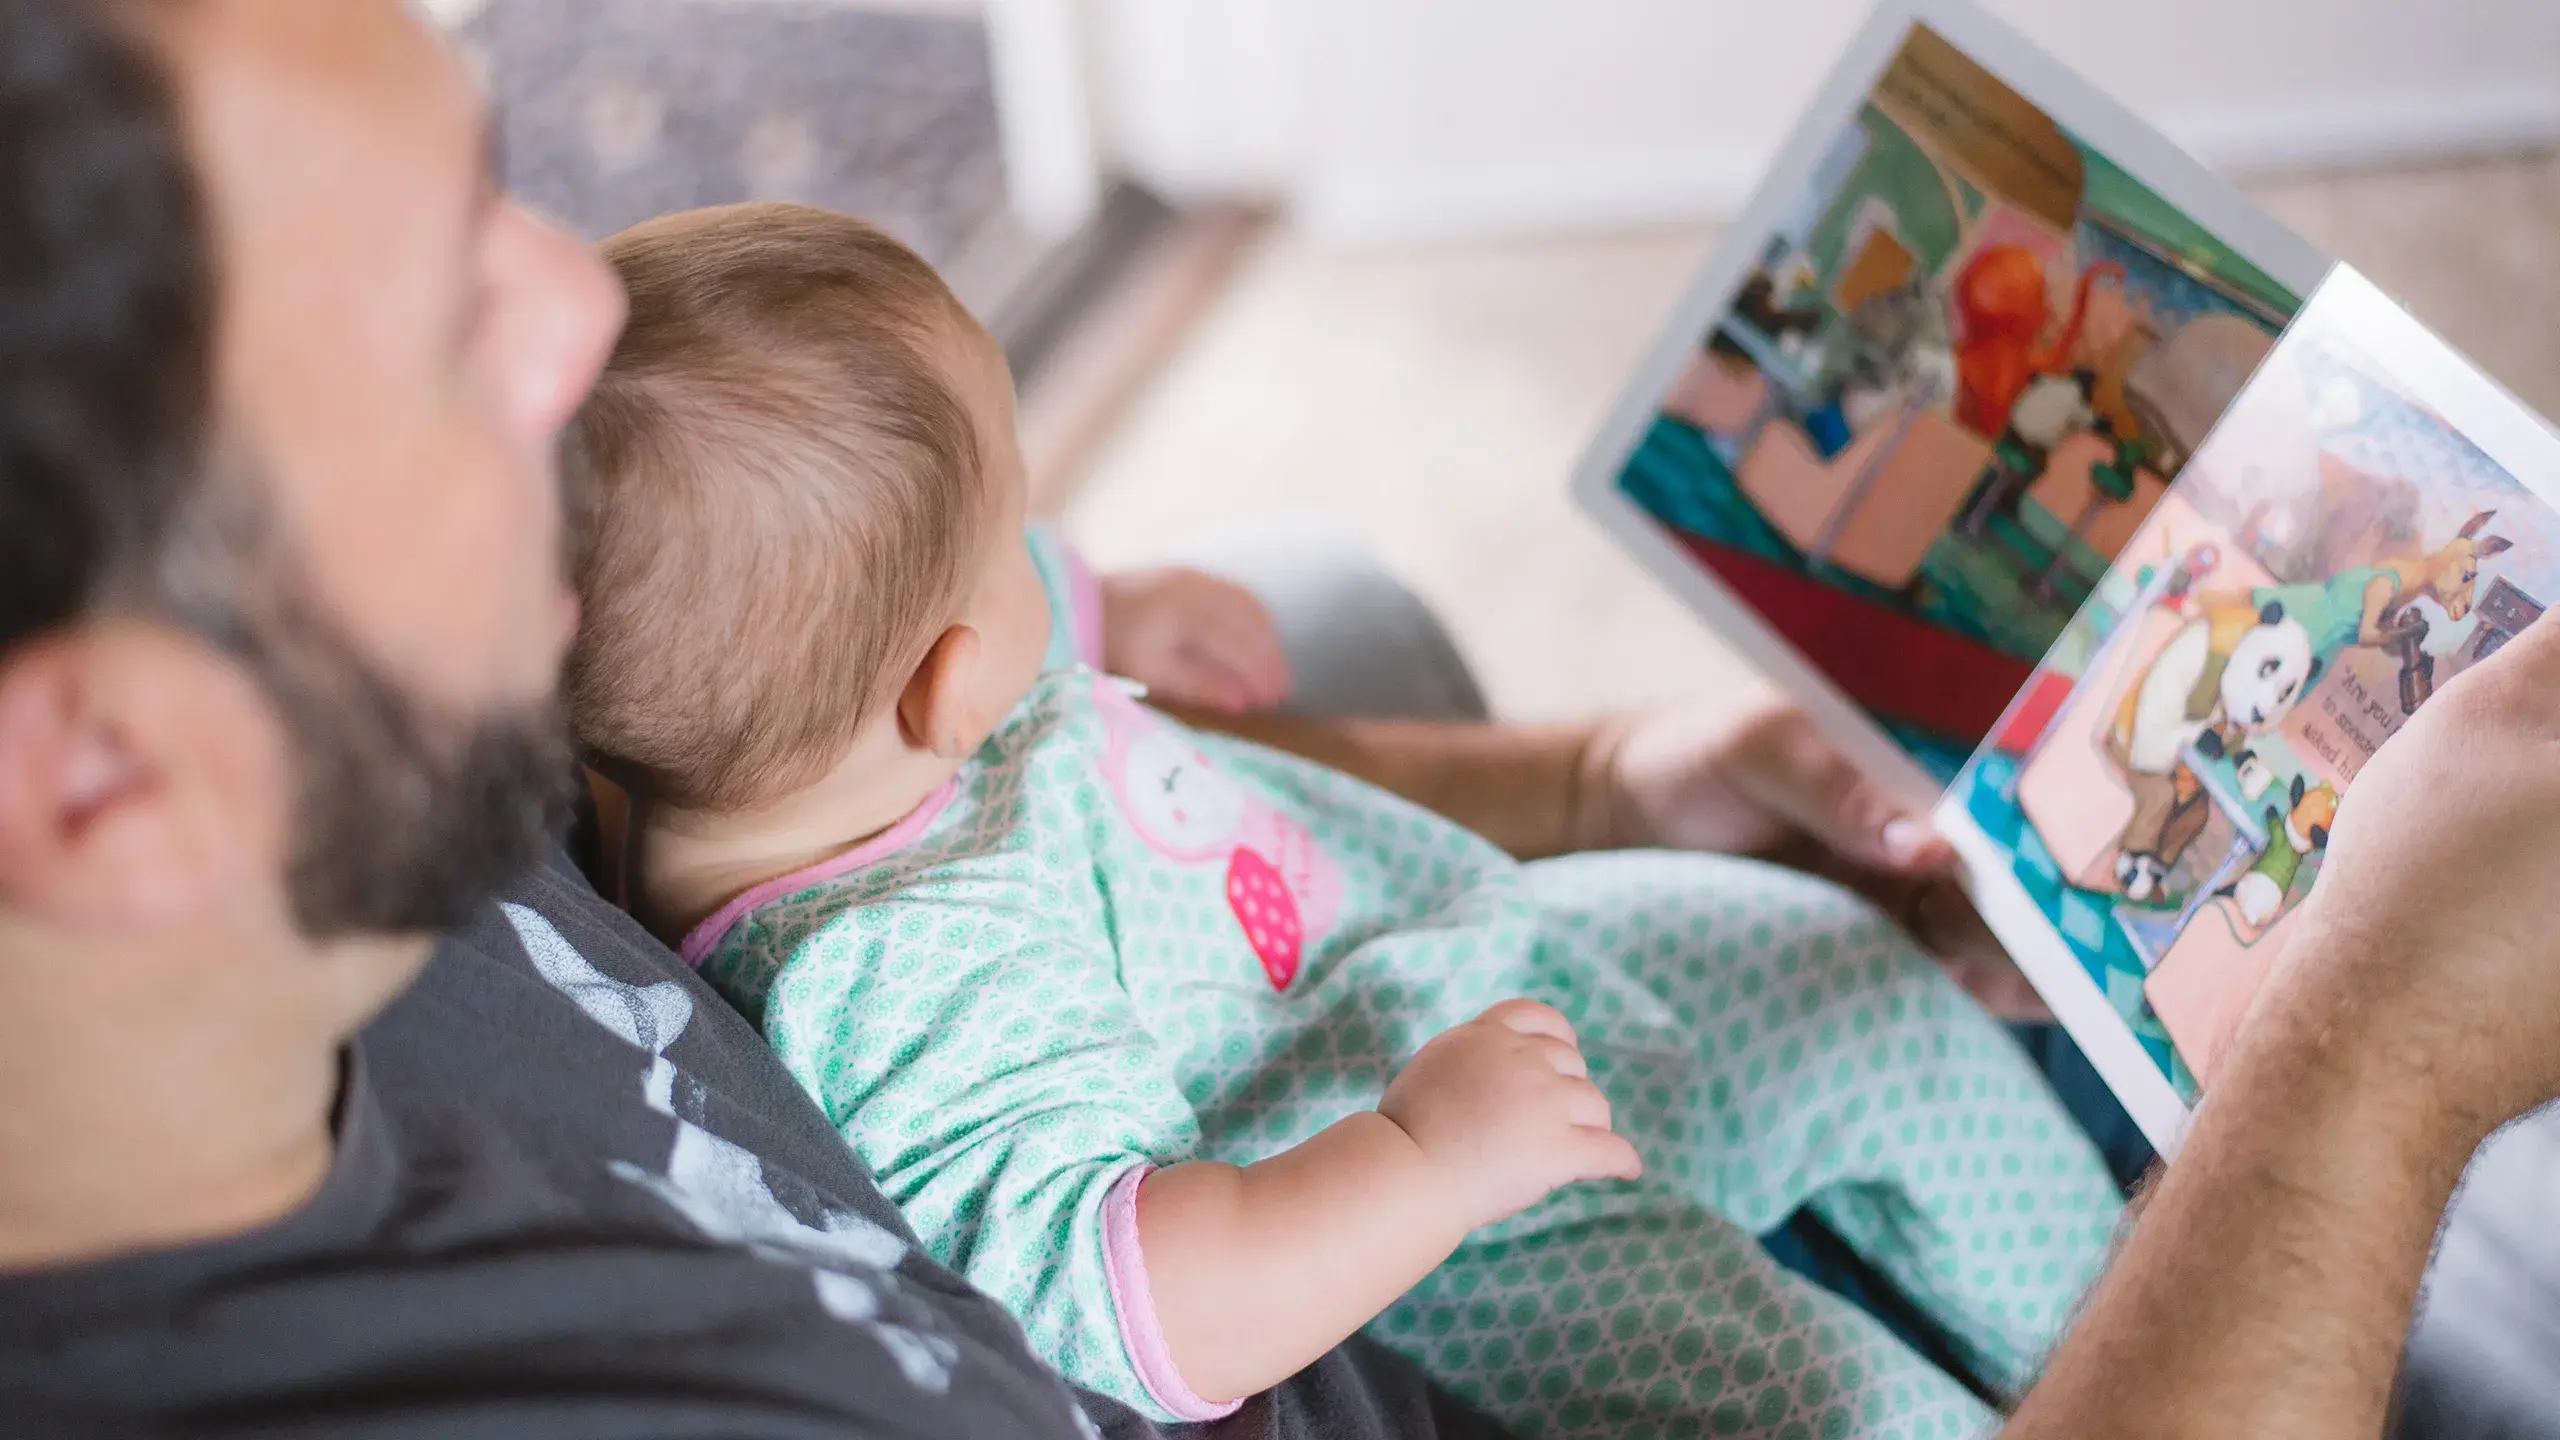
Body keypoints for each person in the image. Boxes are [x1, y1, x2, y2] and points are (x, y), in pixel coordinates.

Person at [0, 2, 2553, 1438]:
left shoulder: (412, 689)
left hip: (1435, 993)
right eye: (446, 318)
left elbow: (1020, 761)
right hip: (1508, 1260)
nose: (579, 318)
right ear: (94, 775)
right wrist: (2374, 1063)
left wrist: (1576, 784)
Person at [563, 201, 2121, 1437]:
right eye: (1016, 522)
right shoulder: (898, 983)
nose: (1042, 546)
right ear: (948, 689)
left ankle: (2127, 1325)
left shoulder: (788, 732)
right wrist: (1423, 1163)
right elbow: (1126, 1303)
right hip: (1469, 1233)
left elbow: (939, 600)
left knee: (1851, 978)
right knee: (1834, 1412)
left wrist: (1105, 604)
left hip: (1454, 951)